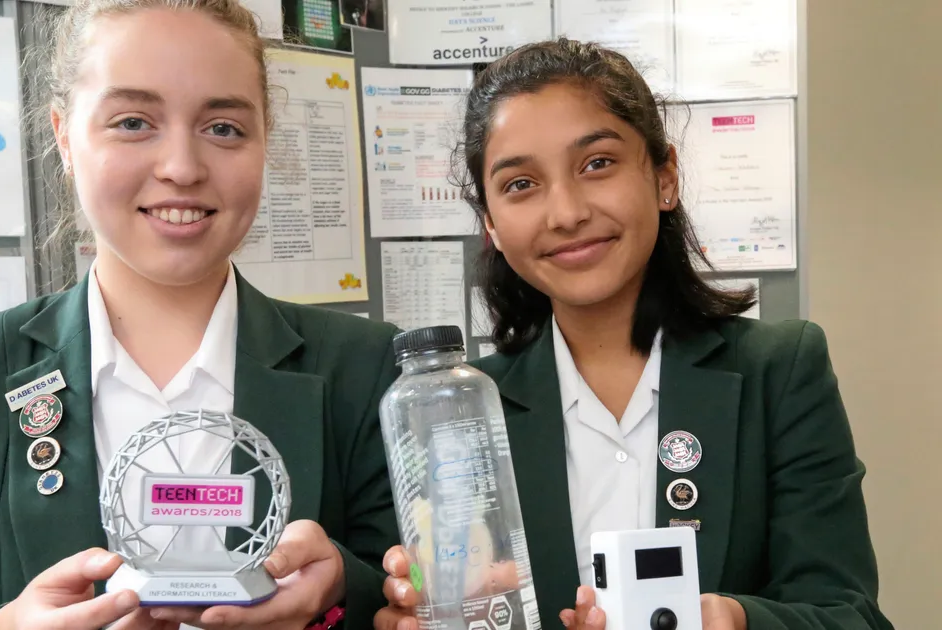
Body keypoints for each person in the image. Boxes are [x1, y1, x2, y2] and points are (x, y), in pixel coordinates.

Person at [0, 2, 400, 629]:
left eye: (224, 128)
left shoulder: (368, 368)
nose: (182, 168)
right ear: (63, 137)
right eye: (133, 122)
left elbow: (418, 592)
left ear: (265, 141)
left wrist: (342, 595)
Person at [373, 39, 893, 630]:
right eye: (521, 184)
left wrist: (734, 622)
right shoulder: (461, 415)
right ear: (490, 222)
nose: (565, 212)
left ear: (665, 176)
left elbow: (851, 615)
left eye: (597, 164)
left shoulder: (780, 370)